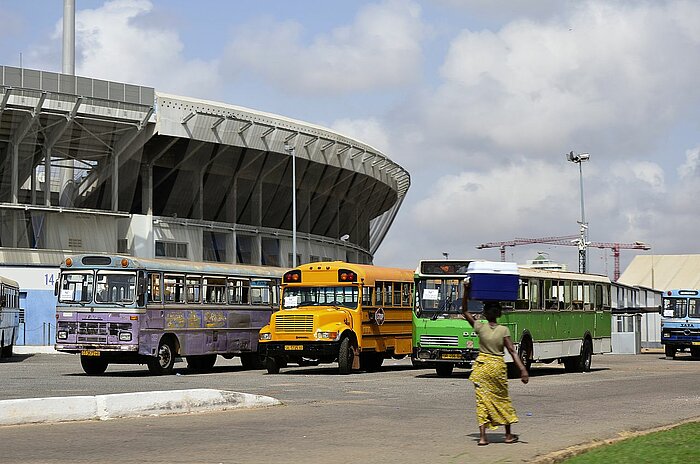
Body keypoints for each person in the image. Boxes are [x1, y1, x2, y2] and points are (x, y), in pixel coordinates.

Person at [461, 279, 529, 446]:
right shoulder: (503, 330)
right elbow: (512, 351)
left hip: (482, 368)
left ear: (484, 313)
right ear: (498, 314)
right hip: (497, 367)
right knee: (502, 398)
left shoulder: (479, 327)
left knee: (482, 401)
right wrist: (523, 370)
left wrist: (466, 290)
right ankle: (507, 435)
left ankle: (483, 437)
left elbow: (464, 311)